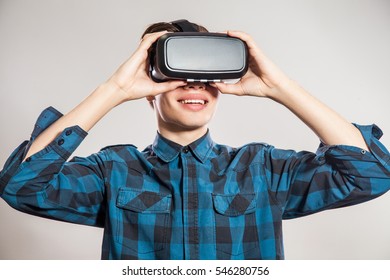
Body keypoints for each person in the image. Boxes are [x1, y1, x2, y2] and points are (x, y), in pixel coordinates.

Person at [0, 20, 389, 260]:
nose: (194, 84)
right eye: (176, 73)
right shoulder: (113, 170)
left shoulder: (263, 170)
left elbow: (371, 174)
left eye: (205, 76)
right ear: (150, 89)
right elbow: (20, 187)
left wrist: (279, 87)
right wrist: (115, 88)